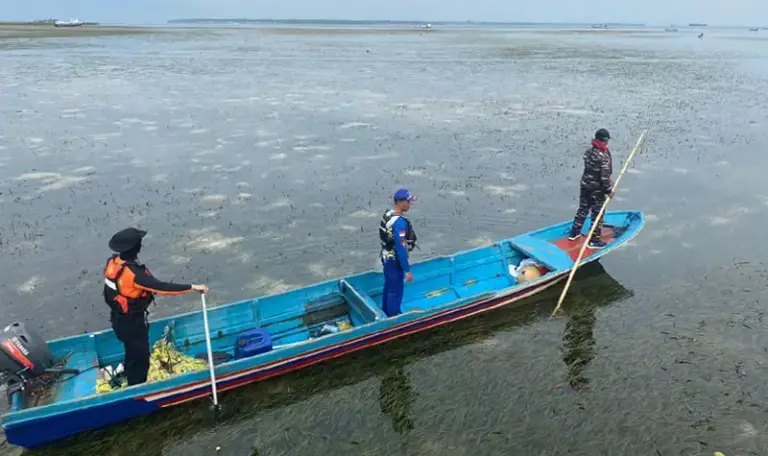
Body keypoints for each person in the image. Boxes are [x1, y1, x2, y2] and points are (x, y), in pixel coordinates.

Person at [103, 227, 208, 386]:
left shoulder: (113, 263)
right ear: (135, 248)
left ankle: (131, 375)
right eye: (139, 243)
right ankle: (136, 388)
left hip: (118, 318)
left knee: (131, 351)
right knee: (140, 358)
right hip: (132, 323)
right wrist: (193, 287)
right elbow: (162, 287)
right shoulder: (134, 274)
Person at [567, 128, 615, 249]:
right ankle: (594, 240)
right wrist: (609, 190)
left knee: (583, 209)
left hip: (585, 185)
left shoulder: (588, 152)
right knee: (597, 214)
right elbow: (603, 177)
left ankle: (574, 233)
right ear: (604, 140)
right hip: (597, 190)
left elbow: (594, 170)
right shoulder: (603, 156)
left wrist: (608, 180)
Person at [379, 189, 418, 317]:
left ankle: (385, 313)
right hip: (394, 261)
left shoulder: (388, 214)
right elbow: (401, 249)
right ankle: (392, 318)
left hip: (385, 257)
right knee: (396, 291)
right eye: (408, 202)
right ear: (400, 202)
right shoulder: (400, 223)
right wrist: (407, 270)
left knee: (389, 287)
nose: (410, 204)